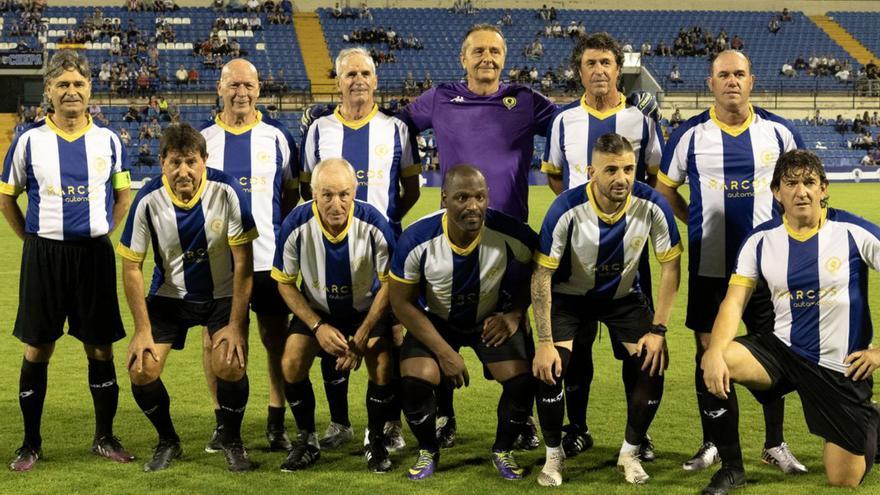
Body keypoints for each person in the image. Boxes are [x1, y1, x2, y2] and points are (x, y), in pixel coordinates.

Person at [396, 23, 555, 448]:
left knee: (513, 330)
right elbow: (395, 125)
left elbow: (573, 125)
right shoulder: (440, 98)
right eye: (478, 51)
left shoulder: (526, 101)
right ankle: (444, 416)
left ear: (505, 59)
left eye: (494, 52)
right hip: (452, 240)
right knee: (443, 320)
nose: (487, 58)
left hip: (509, 245)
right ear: (463, 58)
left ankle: (521, 423)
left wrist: (625, 108)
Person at [656, 50, 807, 483]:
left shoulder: (779, 133)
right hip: (712, 267)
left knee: (772, 351)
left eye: (739, 73)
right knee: (710, 352)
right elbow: (666, 189)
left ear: (752, 80)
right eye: (724, 75)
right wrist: (696, 221)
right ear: (711, 84)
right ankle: (716, 443)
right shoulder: (690, 134)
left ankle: (773, 443)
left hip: (769, 269)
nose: (732, 81)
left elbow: (801, 185)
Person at [702, 150, 880, 493]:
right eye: (792, 183)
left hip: (839, 367)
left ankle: (870, 419)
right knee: (714, 362)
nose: (802, 192)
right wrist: (714, 351)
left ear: (824, 189)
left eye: (810, 183)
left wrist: (878, 354)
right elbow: (733, 302)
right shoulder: (760, 240)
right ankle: (732, 468)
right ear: (776, 192)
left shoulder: (852, 232)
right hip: (782, 350)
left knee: (842, 479)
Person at [0, 50, 133, 472]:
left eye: (78, 84)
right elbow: (7, 197)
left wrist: (104, 231)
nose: (71, 91)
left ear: (90, 90)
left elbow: (123, 195)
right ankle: (30, 443)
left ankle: (105, 436)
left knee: (100, 347)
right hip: (45, 255)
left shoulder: (109, 140)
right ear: (49, 92)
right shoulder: (28, 140)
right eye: (63, 85)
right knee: (38, 347)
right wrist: (31, 238)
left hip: (94, 256)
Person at [540, 32, 665, 460]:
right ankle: (577, 427)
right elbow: (557, 179)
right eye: (590, 63)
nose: (598, 71)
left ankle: (638, 436)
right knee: (575, 346)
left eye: (606, 63)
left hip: (628, 251)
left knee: (638, 349)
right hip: (574, 254)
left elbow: (650, 175)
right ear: (580, 71)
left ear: (618, 69)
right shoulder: (563, 121)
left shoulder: (640, 118)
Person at [532, 133, 681, 486]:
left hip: (623, 299)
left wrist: (658, 330)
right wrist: (544, 341)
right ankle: (554, 457)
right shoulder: (566, 208)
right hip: (569, 299)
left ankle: (630, 451)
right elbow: (542, 276)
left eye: (629, 169)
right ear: (590, 172)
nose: (622, 178)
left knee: (653, 361)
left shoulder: (652, 205)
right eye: (611, 170)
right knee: (550, 369)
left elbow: (671, 266)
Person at [300, 47, 420, 452]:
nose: (358, 80)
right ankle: (339, 423)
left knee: (387, 342)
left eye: (365, 73)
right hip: (330, 252)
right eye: (349, 74)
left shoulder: (396, 128)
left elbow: (411, 190)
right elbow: (307, 189)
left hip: (383, 256)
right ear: (337, 81)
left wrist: (380, 227)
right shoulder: (318, 131)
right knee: (334, 338)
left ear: (375, 78)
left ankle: (388, 424)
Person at [118, 123, 257, 472]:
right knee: (141, 368)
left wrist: (237, 325)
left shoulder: (226, 191)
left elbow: (244, 264)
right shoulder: (148, 199)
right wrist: (141, 329)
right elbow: (131, 267)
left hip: (222, 294)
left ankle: (232, 439)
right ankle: (168, 441)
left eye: (191, 162)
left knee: (230, 361)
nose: (184, 171)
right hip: (170, 296)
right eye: (176, 162)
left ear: (204, 161)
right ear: (162, 162)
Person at [390, 165, 538, 480]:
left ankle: (503, 450)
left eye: (479, 197)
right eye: (462, 197)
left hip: (489, 319)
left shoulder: (507, 230)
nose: (472, 205)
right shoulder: (417, 237)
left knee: (523, 382)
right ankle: (428, 449)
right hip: (435, 321)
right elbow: (400, 302)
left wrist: (515, 314)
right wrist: (444, 352)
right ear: (444, 199)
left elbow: (541, 267)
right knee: (414, 382)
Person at [198, 58, 300, 453]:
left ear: (259, 89)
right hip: (220, 266)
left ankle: (277, 419)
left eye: (248, 86)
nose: (241, 93)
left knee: (275, 340)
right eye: (233, 85)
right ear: (220, 89)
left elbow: (290, 198)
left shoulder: (277, 138)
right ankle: (223, 422)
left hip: (268, 261)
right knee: (216, 343)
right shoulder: (204, 140)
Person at [272, 158, 398, 473]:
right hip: (317, 310)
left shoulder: (374, 223)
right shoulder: (296, 224)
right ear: (313, 194)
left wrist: (364, 334)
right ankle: (307, 440)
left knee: (383, 364)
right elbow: (284, 283)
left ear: (355, 191)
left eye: (343, 194)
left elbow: (390, 285)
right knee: (290, 361)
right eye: (327, 195)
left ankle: (376, 439)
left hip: (367, 309)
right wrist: (316, 327)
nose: (336, 203)